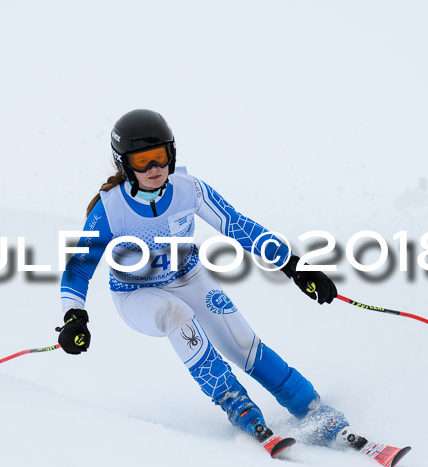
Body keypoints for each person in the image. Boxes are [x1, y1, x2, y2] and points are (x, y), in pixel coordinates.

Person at [56, 109, 352, 457]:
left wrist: (293, 265)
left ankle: (310, 408)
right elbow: (78, 267)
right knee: (176, 316)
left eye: (161, 156)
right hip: (137, 294)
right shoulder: (110, 209)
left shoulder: (188, 189)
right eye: (142, 160)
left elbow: (237, 225)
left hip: (188, 276)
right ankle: (238, 405)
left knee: (242, 341)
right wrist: (74, 316)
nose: (155, 168)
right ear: (124, 165)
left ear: (173, 153)